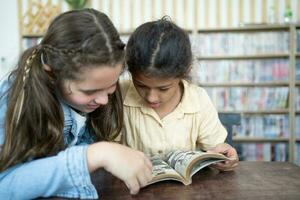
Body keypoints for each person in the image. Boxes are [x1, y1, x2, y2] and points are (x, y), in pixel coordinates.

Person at [0, 9, 152, 199]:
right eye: (89, 92)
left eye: (112, 85)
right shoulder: (15, 103)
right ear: (52, 74)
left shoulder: (91, 97)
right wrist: (95, 155)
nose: (104, 100)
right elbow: (4, 185)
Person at [121, 17, 238, 171]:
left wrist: (225, 156)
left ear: (185, 72)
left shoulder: (198, 99)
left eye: (163, 89)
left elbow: (216, 147)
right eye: (141, 85)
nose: (151, 97)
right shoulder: (119, 95)